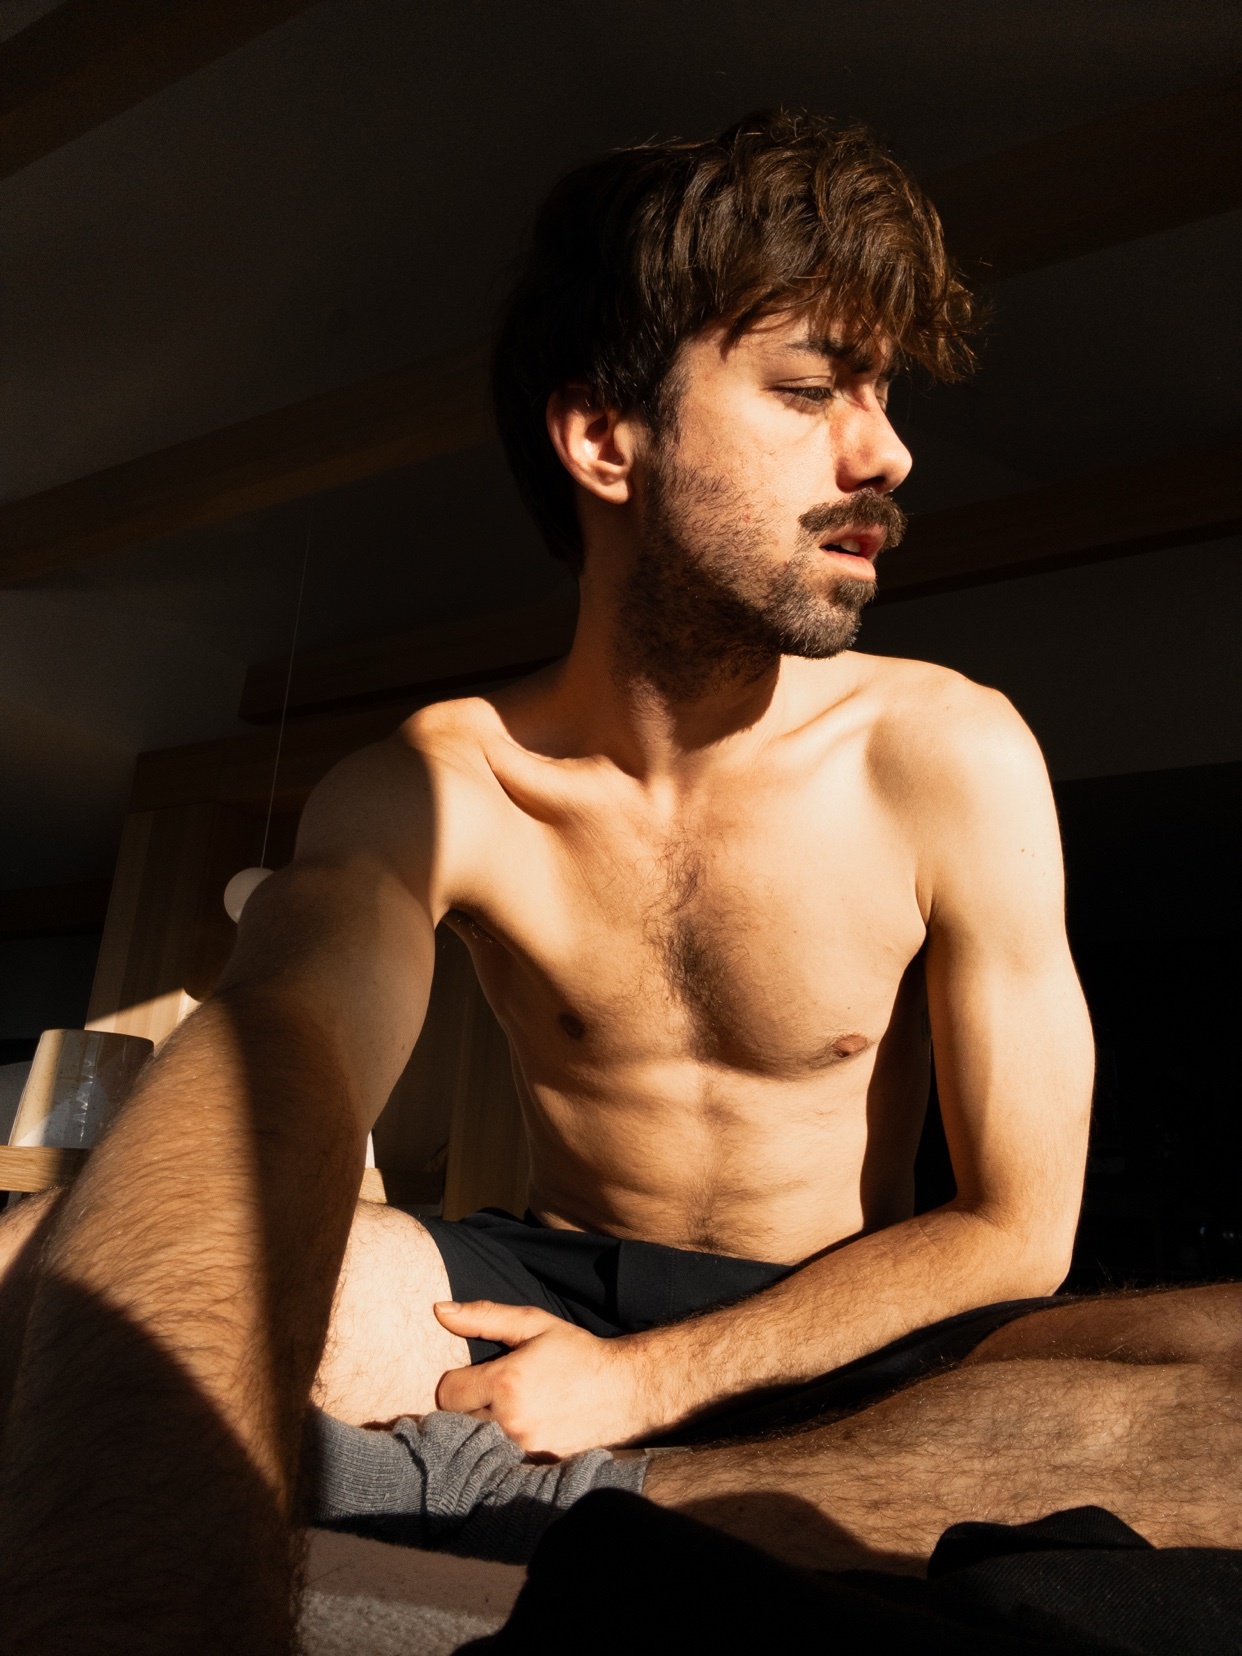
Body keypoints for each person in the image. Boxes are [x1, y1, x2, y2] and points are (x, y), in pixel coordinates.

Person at [0, 111, 1126, 1651]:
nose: (886, 451)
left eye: (879, 395)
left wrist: (638, 1385)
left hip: (842, 1302)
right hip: (542, 1270)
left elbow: (1014, 1229)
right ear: (605, 439)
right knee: (25, 1271)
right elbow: (286, 1051)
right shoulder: (438, 785)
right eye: (808, 392)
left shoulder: (945, 752)